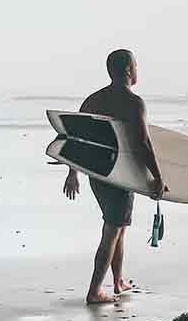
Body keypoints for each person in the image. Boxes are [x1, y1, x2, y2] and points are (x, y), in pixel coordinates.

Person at [62, 48, 163, 303]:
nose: (138, 69)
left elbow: (77, 137)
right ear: (128, 70)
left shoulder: (92, 100)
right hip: (121, 173)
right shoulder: (133, 102)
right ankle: (95, 290)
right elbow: (142, 143)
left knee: (117, 227)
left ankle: (117, 280)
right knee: (112, 230)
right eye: (136, 65)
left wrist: (72, 172)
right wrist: (157, 176)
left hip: (98, 173)